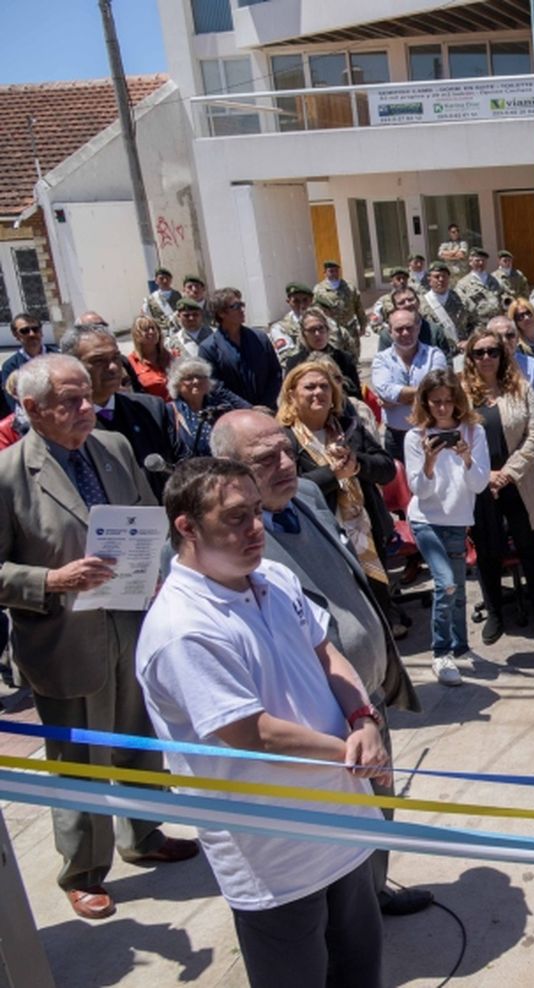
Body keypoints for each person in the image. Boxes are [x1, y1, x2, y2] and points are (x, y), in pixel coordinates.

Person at [137, 458, 387, 986]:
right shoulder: (184, 628)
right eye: (234, 518)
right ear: (186, 527)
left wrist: (364, 719)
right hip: (276, 853)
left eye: (256, 512)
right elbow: (251, 732)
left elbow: (327, 656)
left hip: (345, 820)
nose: (255, 528)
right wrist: (353, 750)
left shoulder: (271, 576)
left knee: (359, 968)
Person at [0, 354, 199, 920]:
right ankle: (83, 871)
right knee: (80, 758)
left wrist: (155, 564)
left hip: (130, 620)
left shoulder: (111, 448)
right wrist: (49, 579)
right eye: (70, 400)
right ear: (33, 409)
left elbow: (141, 516)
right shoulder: (9, 474)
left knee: (138, 737)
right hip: (64, 637)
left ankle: (143, 833)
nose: (87, 408)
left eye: (88, 395)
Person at [205, 412, 426, 916]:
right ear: (228, 469)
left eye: (287, 450)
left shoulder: (304, 496)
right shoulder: (234, 543)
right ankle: (345, 914)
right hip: (317, 717)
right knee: (338, 823)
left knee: (379, 808)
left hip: (364, 699)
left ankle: (372, 894)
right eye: (265, 459)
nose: (286, 464)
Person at [275, 360, 404, 636]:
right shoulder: (283, 439)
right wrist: (332, 474)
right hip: (320, 536)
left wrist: (356, 466)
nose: (318, 392)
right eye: (309, 387)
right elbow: (289, 488)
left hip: (365, 530)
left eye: (324, 386)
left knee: (375, 599)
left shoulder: (350, 427)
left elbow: (386, 469)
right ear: (292, 394)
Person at [461, 326, 534, 643]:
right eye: (480, 352)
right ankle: (496, 614)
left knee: (530, 548)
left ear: (503, 355)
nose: (487, 357)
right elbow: (454, 439)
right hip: (480, 484)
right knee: (487, 551)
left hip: (520, 481)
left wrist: (507, 473)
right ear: (470, 357)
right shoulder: (461, 394)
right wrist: (485, 475)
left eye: (493, 351)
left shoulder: (521, 388)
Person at [404, 369, 490, 686]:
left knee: (458, 588)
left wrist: (467, 458)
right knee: (445, 583)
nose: (442, 408)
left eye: (448, 401)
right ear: (425, 403)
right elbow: (419, 490)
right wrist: (428, 461)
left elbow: (479, 485)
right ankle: (440, 652)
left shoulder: (473, 432)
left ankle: (460, 645)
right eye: (435, 402)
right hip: (426, 520)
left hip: (457, 519)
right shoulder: (415, 437)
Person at [62, 323, 182, 498]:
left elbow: (180, 466)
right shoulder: (63, 421)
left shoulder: (151, 409)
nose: (112, 367)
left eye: (115, 358)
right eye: (98, 361)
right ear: (72, 365)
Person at [371, 308, 447, 461]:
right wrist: (424, 396)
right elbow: (386, 391)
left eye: (409, 328)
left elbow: (437, 389)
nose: (405, 333)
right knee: (400, 484)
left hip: (430, 434)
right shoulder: (381, 359)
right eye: (399, 329)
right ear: (390, 331)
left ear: (418, 328)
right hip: (396, 438)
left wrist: (397, 399)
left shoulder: (435, 355)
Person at [201, 288, 283, 409]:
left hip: (267, 411)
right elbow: (215, 386)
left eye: (242, 305)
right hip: (233, 416)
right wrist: (248, 409)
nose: (242, 310)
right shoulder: (209, 348)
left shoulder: (260, 338)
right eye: (236, 306)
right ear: (221, 313)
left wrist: (264, 405)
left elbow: (275, 373)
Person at [166, 357, 249, 457]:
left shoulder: (221, 405)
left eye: (200, 376)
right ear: (177, 384)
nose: (196, 381)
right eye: (189, 378)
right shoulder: (170, 412)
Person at [285, 308, 361, 402]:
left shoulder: (344, 359)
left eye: (321, 328)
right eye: (312, 330)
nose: (317, 334)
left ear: (328, 330)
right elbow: (288, 397)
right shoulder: (294, 363)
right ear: (304, 334)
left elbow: (356, 395)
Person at [0, 312, 56, 417]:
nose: (32, 334)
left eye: (35, 329)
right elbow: (13, 402)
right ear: (16, 335)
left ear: (41, 332)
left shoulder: (59, 357)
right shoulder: (11, 366)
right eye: (25, 331)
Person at [313, 261, 365, 360]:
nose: (334, 273)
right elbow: (315, 310)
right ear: (325, 272)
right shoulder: (318, 290)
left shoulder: (349, 288)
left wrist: (363, 325)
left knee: (353, 355)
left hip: (350, 328)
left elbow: (359, 307)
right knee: (334, 356)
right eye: (331, 271)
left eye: (336, 271)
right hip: (330, 329)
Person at [267, 282, 318, 362]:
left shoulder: (325, 321)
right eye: (296, 301)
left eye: (305, 300)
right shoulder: (280, 328)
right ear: (288, 302)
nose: (302, 305)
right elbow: (287, 356)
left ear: (311, 300)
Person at [126, 317, 172, 400]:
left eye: (153, 328)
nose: (151, 332)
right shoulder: (131, 362)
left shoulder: (171, 356)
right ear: (136, 335)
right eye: (146, 329)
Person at [141, 267, 180, 334]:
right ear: (156, 281)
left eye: (167, 278)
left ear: (171, 280)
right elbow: (145, 317)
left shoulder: (180, 296)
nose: (165, 281)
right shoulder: (150, 300)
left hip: (179, 332)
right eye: (161, 279)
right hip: (162, 334)